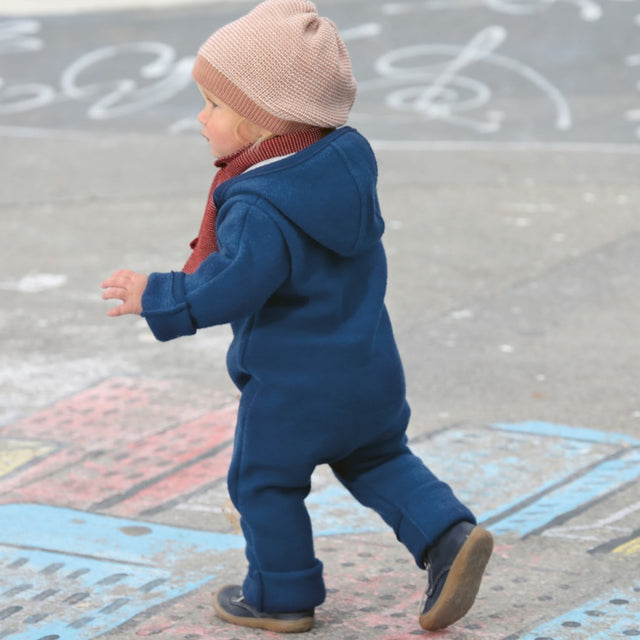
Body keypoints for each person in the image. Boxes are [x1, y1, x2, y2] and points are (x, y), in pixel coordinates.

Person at [101, 0, 493, 633]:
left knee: (263, 482)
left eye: (215, 105)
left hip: (293, 387)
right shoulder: (340, 165)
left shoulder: (258, 204)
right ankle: (448, 536)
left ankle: (279, 595)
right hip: (367, 368)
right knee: (377, 458)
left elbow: (230, 287)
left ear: (264, 121)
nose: (201, 118)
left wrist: (158, 293)